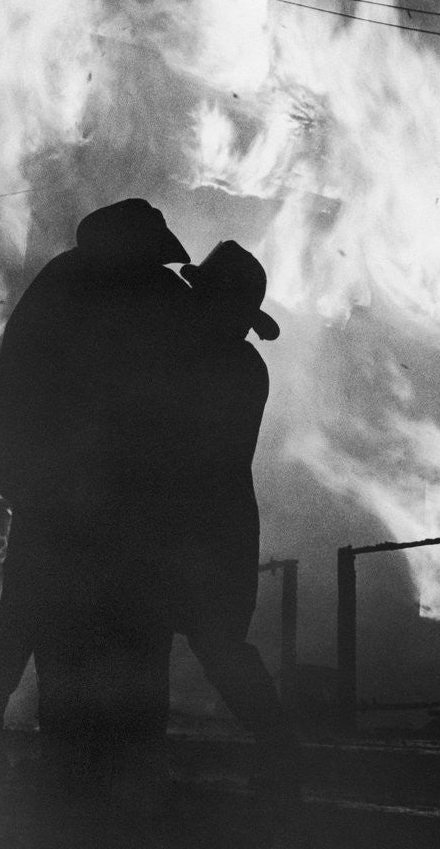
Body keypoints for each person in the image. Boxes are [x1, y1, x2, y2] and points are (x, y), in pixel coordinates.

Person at [0, 198, 193, 781]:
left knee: (42, 613)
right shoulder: (118, 295)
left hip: (75, 492)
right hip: (85, 494)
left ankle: (36, 735)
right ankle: (89, 747)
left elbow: (18, 384)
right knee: (57, 615)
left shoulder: (61, 289)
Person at [160, 240, 297, 787]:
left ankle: (281, 751)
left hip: (197, 521)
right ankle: (282, 751)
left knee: (188, 638)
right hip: (223, 521)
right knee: (218, 644)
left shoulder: (210, 363)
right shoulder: (243, 364)